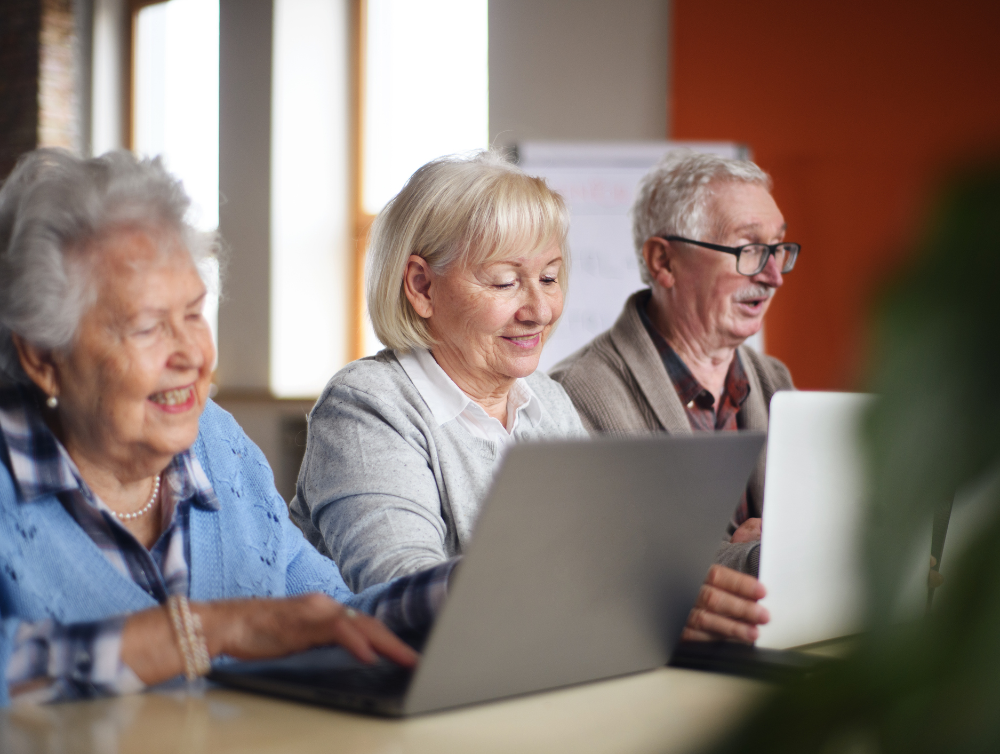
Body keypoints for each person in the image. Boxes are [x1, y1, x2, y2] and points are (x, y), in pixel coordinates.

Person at [0, 149, 451, 707]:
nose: (192, 353)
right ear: (43, 357)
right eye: (147, 328)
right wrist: (205, 631)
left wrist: (461, 589)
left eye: (193, 313)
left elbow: (326, 617)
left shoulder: (217, 443)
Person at [290, 151, 769, 644]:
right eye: (505, 281)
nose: (539, 310)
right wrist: (632, 592)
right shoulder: (366, 404)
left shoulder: (548, 401)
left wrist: (755, 557)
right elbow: (402, 595)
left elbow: (623, 554)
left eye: (549, 278)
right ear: (421, 286)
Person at [549, 149, 797, 576]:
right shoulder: (577, 395)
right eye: (751, 249)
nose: (774, 276)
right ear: (663, 261)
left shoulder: (775, 381)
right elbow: (624, 570)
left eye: (778, 248)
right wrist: (766, 552)